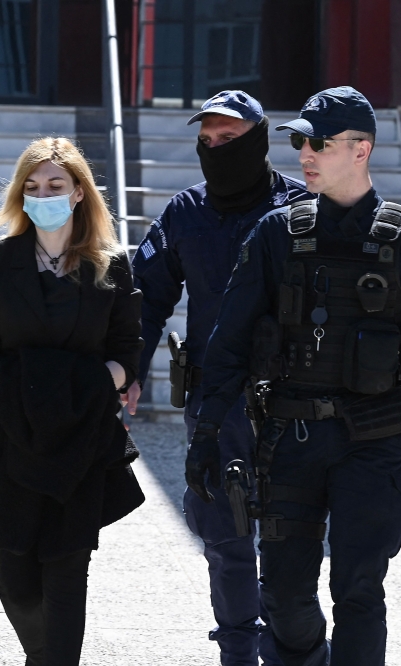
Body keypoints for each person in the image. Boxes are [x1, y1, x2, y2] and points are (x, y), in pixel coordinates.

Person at [187, 86, 401, 666]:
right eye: (299, 141)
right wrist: (207, 433)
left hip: (372, 443)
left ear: (362, 148)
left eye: (318, 141)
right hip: (290, 439)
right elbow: (230, 340)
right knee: (286, 598)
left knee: (359, 591)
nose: (304, 153)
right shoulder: (275, 234)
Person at [126, 90, 309, 666]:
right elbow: (144, 299)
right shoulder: (186, 212)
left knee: (292, 537)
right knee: (225, 534)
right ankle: (237, 652)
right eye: (206, 140)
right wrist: (128, 370)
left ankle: (292, 648)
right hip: (214, 401)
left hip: (293, 398)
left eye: (227, 139)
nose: (214, 148)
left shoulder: (299, 209)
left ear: (258, 140)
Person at [0, 137, 145, 665]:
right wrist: (52, 382)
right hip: (11, 439)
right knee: (16, 584)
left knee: (67, 574)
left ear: (78, 193)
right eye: (32, 186)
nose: (42, 193)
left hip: (82, 443)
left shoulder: (111, 265)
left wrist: (92, 382)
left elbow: (126, 352)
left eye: (55, 185)